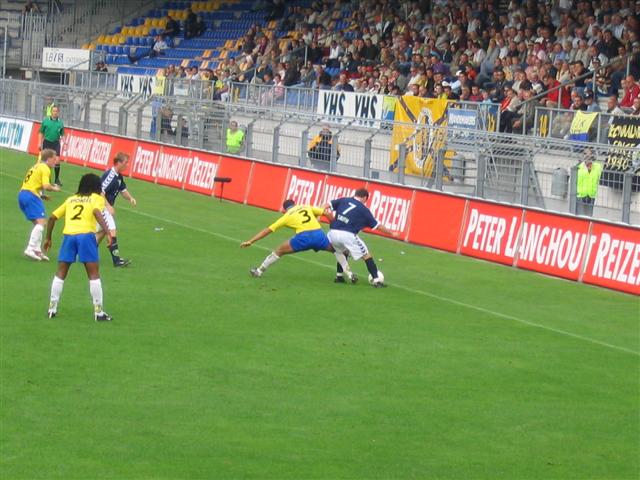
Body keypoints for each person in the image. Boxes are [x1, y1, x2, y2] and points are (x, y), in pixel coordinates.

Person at [43, 173, 113, 321]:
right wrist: (108, 233)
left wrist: (48, 238)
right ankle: (99, 312)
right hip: (86, 237)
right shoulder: (97, 199)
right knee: (93, 274)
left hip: (69, 237)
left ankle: (51, 309)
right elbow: (96, 212)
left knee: (60, 273)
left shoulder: (70, 199)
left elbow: (52, 218)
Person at [240, 199, 352, 279]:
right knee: (338, 250)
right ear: (295, 204)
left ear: (285, 209)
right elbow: (326, 212)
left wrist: (251, 241)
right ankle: (350, 274)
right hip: (319, 235)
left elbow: (268, 230)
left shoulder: (286, 216)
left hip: (303, 238)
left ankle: (259, 271)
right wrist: (334, 225)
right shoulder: (305, 206)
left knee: (278, 251)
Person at [324, 188, 400, 287]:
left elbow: (327, 204)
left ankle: (339, 276)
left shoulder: (344, 200)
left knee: (343, 252)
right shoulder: (363, 209)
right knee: (366, 255)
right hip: (347, 234)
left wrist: (319, 211)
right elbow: (377, 226)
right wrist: (392, 233)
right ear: (365, 198)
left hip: (332, 233)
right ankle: (377, 281)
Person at [18, 149, 61, 261]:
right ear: (49, 159)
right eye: (54, 158)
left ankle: (37, 250)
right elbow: (46, 185)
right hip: (31, 196)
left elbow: (33, 182)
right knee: (42, 223)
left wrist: (42, 195)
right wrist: (55, 188)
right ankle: (30, 248)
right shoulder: (45, 168)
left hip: (23, 194)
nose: (56, 161)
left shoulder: (36, 166)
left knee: (39, 223)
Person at [96, 153, 137, 267]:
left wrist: (130, 198)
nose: (127, 165)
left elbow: (123, 190)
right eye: (125, 163)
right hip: (101, 207)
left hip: (104, 207)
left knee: (103, 231)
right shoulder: (110, 175)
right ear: (118, 163)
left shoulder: (119, 176)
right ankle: (117, 261)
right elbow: (100, 191)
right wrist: (108, 206)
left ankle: (87, 252)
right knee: (112, 231)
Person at [39, 105, 64, 186]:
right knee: (46, 161)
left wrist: (64, 141)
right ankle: (47, 178)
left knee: (57, 160)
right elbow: (41, 132)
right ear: (51, 112)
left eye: (56, 111)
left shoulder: (60, 123)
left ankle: (56, 179)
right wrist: (39, 142)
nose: (55, 113)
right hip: (47, 142)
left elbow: (62, 134)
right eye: (53, 111)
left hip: (56, 143)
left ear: (58, 112)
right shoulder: (46, 121)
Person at [576, 151, 603, 216]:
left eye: (589, 154)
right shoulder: (578, 167)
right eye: (585, 153)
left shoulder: (598, 167)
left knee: (590, 218)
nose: (587, 156)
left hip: (592, 196)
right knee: (580, 218)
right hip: (580, 196)